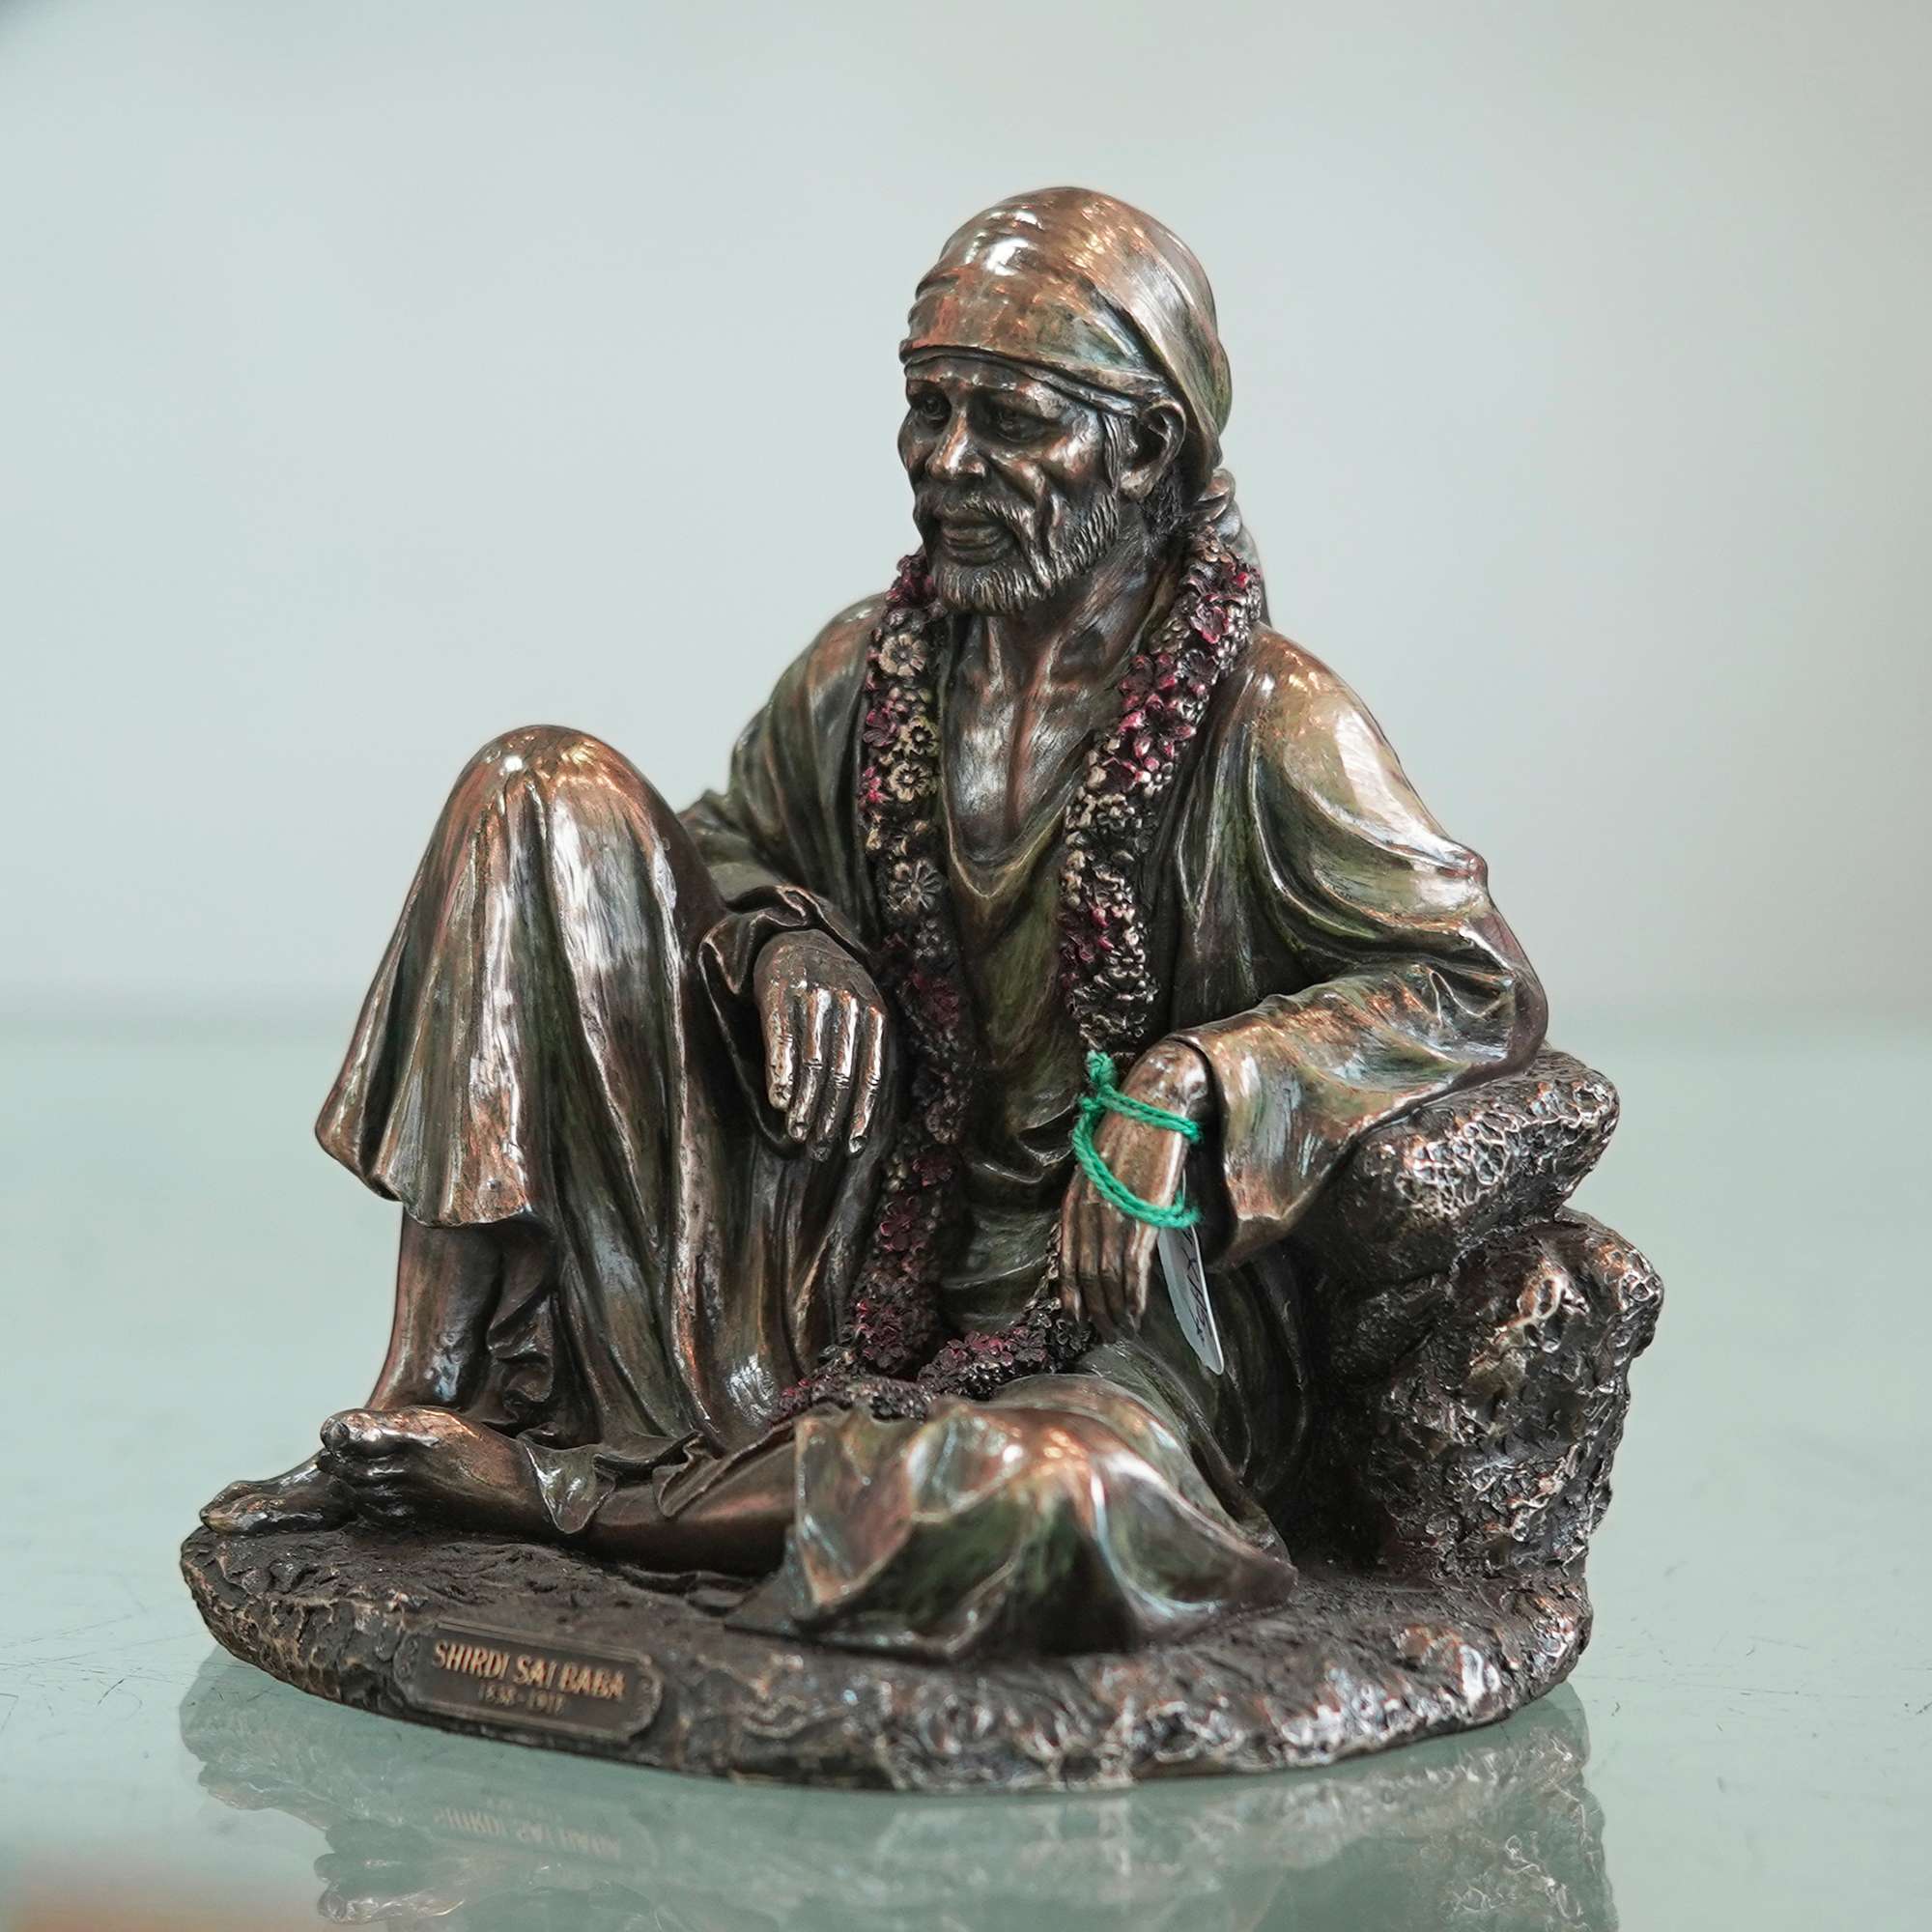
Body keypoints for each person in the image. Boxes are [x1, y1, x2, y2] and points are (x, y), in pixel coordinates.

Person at [202, 188, 1544, 1659]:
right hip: (829, 1253)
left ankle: (555, 1498)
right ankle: (422, 1403)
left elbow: (1470, 985)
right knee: (538, 789)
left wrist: (1200, 1083)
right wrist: (788, 935)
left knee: (1060, 1501)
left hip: (1116, 1336)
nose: (947, 461)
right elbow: (720, 846)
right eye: (928, 408)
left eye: (1010, 420)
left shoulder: (1274, 720)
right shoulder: (871, 670)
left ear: (1149, 447)